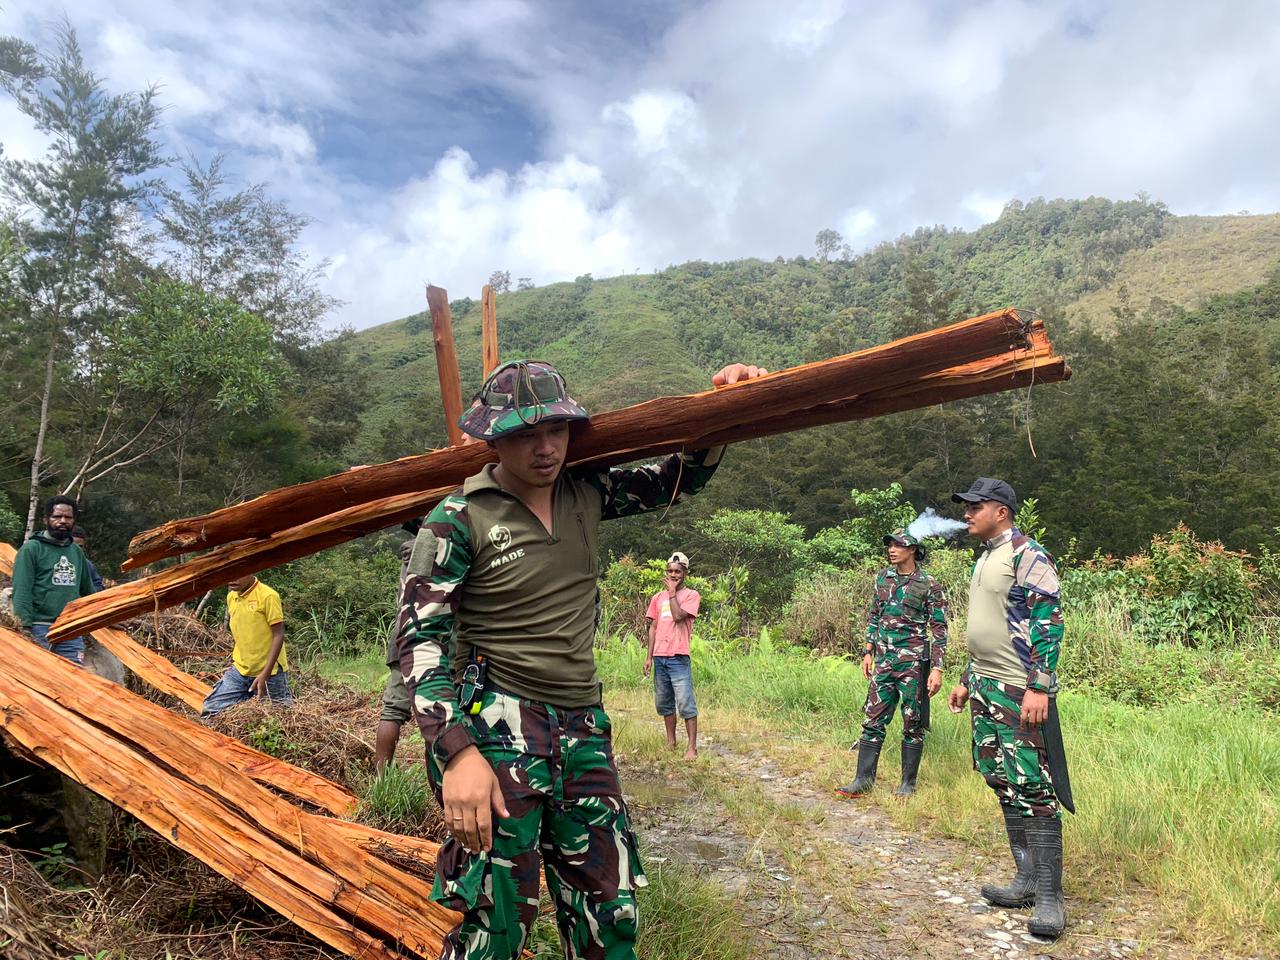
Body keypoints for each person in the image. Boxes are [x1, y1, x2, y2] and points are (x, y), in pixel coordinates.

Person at [396, 357, 766, 960]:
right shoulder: (459, 519)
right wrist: (455, 750)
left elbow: (680, 480)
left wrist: (721, 410)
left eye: (556, 430)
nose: (545, 448)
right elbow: (420, 642)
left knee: (608, 909)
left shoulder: (588, 491)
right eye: (524, 434)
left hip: (583, 727)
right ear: (493, 437)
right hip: (496, 727)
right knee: (496, 918)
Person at [946, 477, 1071, 940]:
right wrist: (964, 679)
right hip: (983, 685)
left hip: (1018, 690)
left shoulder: (1027, 555)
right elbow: (988, 626)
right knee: (999, 779)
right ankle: (1024, 879)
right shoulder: (985, 558)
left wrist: (1040, 686)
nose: (966, 514)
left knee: (1033, 787)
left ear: (1000, 510)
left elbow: (1048, 622)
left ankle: (1049, 898)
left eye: (974, 507)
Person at [837, 528, 948, 799]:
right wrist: (867, 651)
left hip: (913, 663)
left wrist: (937, 668)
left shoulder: (928, 584)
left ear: (912, 550)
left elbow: (939, 628)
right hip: (884, 661)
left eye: (898, 545)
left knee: (913, 722)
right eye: (890, 545)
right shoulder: (883, 579)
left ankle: (907, 784)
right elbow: (875, 615)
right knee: (872, 719)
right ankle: (863, 780)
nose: (892, 549)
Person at [11, 496, 98, 665]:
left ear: (74, 520)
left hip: (69, 628)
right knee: (38, 679)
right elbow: (22, 590)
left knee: (75, 678)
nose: (63, 521)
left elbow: (88, 590)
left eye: (68, 517)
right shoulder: (31, 549)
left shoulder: (76, 552)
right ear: (46, 519)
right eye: (57, 517)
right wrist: (24, 627)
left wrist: (108, 615)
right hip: (38, 627)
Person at [201, 572, 292, 716]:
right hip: (241, 669)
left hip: (271, 672)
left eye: (239, 573)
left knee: (279, 718)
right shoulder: (232, 596)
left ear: (253, 570)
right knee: (211, 710)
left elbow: (279, 635)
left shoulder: (268, 596)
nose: (232, 577)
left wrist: (265, 674)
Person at [643, 551, 701, 759]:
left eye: (678, 571)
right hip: (660, 656)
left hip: (678, 656)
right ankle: (671, 741)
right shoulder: (657, 598)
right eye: (670, 571)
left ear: (685, 573)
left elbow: (677, 616)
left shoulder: (691, 596)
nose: (673, 574)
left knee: (685, 702)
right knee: (664, 702)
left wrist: (673, 592)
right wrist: (649, 657)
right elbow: (653, 627)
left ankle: (692, 748)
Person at [375, 539, 416, 771]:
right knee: (441, 709)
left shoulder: (409, 552)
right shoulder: (447, 545)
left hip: (403, 637)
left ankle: (381, 781)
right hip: (438, 638)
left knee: (392, 710)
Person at [71, 526, 105, 593]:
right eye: (74, 545)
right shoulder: (54, 560)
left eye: (80, 546)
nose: (78, 549)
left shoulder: (87, 564)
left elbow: (97, 585)